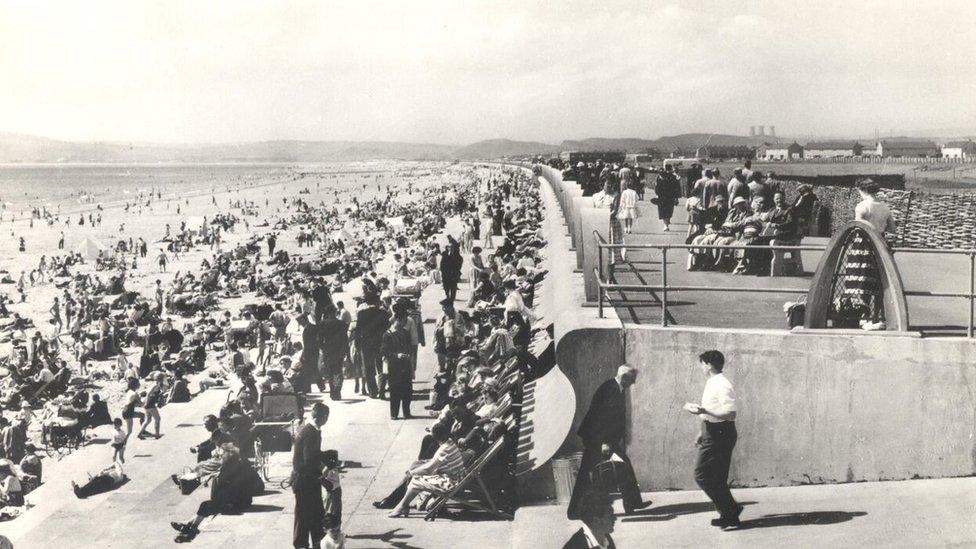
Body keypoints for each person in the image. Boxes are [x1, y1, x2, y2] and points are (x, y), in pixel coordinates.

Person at [568, 365, 649, 519]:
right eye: (631, 380)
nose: (633, 384)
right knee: (587, 473)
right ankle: (574, 511)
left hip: (605, 438)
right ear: (624, 377)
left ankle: (632, 502)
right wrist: (604, 442)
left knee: (624, 464)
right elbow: (601, 418)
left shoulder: (616, 388)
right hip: (598, 438)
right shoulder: (610, 389)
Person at [683, 349, 742, 530]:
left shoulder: (722, 384)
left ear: (708, 365)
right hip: (712, 431)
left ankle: (731, 510)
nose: (701, 367)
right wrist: (702, 430)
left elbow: (730, 414)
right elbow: (713, 410)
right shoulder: (712, 382)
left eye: (702, 364)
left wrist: (704, 412)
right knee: (716, 477)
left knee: (702, 475)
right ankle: (729, 515)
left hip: (720, 433)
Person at [387, 422, 465, 518]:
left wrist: (411, 473)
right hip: (456, 478)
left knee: (416, 479)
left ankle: (401, 506)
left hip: (451, 482)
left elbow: (429, 469)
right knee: (417, 473)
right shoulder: (450, 442)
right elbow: (434, 464)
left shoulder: (445, 448)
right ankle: (402, 506)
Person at [293, 403, 329, 549]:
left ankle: (315, 541)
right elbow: (309, 459)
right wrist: (322, 473)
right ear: (324, 417)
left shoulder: (308, 428)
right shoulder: (312, 433)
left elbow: (312, 454)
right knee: (306, 513)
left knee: (312, 512)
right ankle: (302, 544)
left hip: (303, 478)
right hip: (305, 480)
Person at [382, 306, 414, 420]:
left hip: (405, 365)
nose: (405, 323)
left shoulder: (405, 333)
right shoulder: (388, 335)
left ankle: (407, 412)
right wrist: (397, 355)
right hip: (394, 367)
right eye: (404, 320)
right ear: (397, 320)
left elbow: (409, 347)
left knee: (407, 390)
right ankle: (394, 413)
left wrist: (409, 354)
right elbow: (385, 352)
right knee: (395, 390)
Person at [138, 371, 165, 439]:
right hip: (150, 404)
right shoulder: (155, 385)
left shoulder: (157, 385)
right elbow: (148, 394)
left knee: (148, 420)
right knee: (157, 419)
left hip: (149, 404)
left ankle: (140, 433)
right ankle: (157, 434)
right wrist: (146, 403)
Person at [654, 165, 681, 231]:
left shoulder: (660, 176)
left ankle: (665, 225)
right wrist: (677, 198)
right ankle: (667, 221)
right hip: (671, 196)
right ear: (671, 169)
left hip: (662, 196)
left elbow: (656, 187)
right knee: (669, 210)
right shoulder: (674, 177)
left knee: (663, 211)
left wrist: (657, 194)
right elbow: (677, 188)